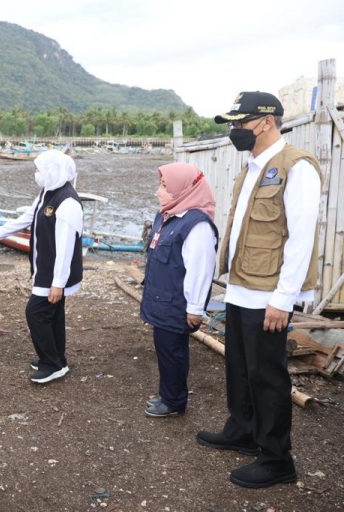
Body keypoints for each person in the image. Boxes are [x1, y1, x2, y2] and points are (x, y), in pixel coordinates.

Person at [196, 91, 322, 488]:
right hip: (239, 288)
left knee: (268, 376)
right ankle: (243, 430)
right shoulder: (250, 168)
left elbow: (300, 240)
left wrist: (282, 301)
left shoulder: (296, 167)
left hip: (268, 295)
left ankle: (276, 458)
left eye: (240, 123)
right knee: (239, 367)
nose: (236, 130)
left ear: (265, 121)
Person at [0, 150, 83, 384]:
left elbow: (66, 249)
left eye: (39, 170)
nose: (36, 174)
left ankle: (51, 364)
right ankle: (57, 359)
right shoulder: (47, 192)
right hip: (45, 266)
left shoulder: (68, 203)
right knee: (52, 313)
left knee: (35, 312)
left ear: (52, 171)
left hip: (55, 271)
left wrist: (58, 283)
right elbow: (27, 218)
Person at [140, 163, 218, 418]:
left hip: (177, 303)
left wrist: (195, 308)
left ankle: (174, 401)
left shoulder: (197, 225)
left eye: (164, 186)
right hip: (162, 298)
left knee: (173, 352)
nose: (157, 192)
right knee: (164, 349)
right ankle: (168, 392)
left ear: (182, 190)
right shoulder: (168, 216)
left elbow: (200, 269)